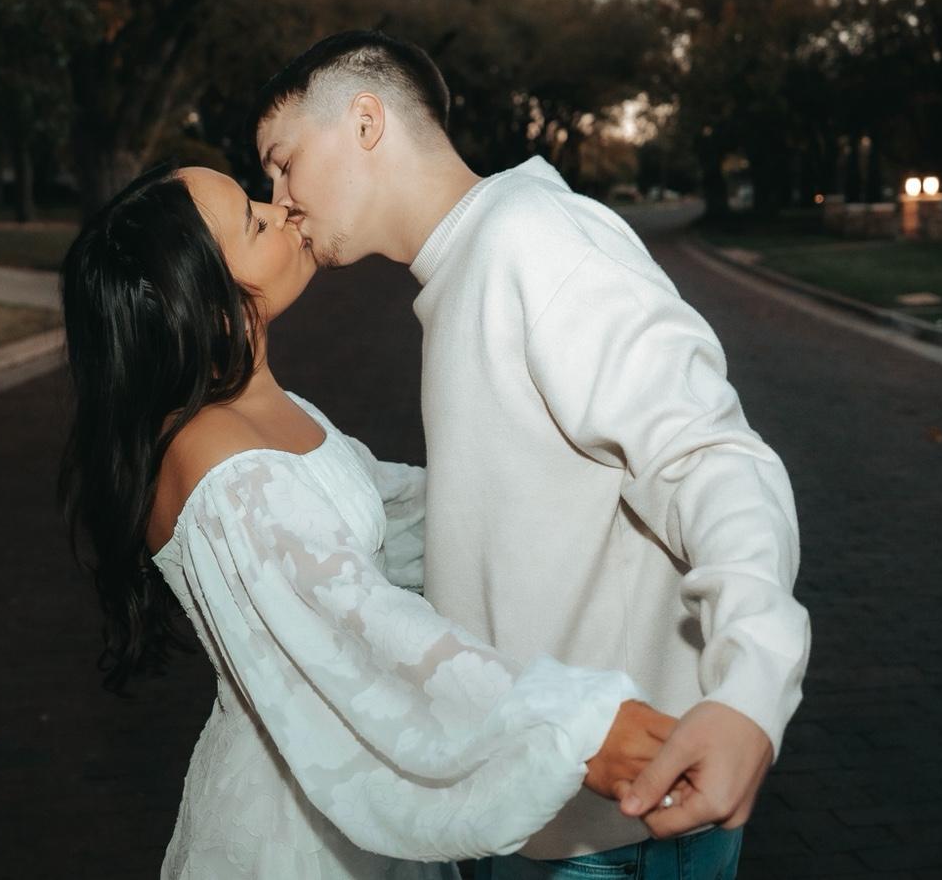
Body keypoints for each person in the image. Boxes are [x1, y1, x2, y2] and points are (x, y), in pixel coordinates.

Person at [251, 31, 813, 879]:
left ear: (365, 122)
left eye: (284, 162)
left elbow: (709, 455)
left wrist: (750, 690)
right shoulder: (466, 264)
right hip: (527, 816)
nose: (280, 199)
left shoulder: (534, 238)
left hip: (617, 834)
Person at [59, 162, 683, 880]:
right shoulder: (227, 469)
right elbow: (365, 629)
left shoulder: (260, 412)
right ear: (207, 304)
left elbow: (398, 516)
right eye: (255, 222)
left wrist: (582, 483)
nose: (283, 210)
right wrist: (571, 724)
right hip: (298, 835)